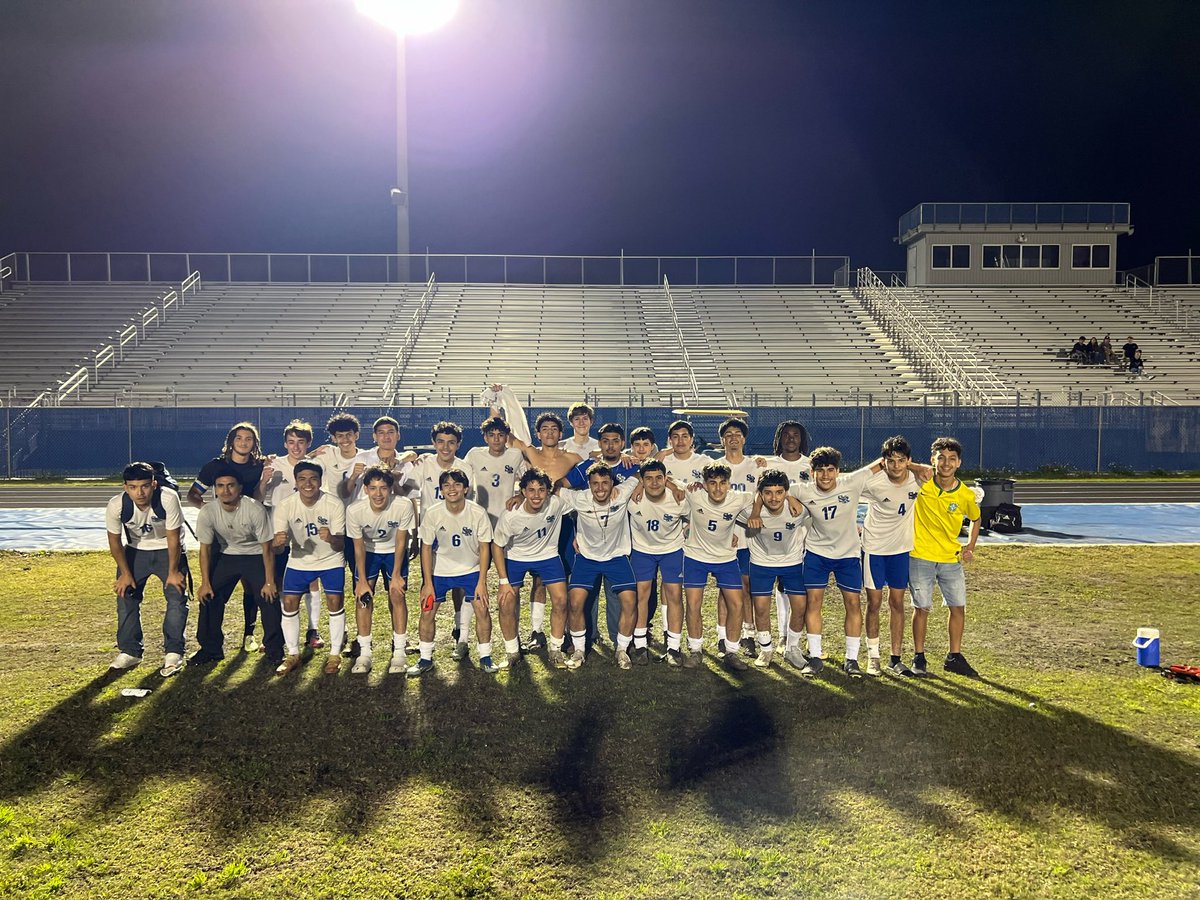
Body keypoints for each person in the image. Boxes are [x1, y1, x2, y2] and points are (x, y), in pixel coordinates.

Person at [769, 446, 881, 678]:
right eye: (820, 470)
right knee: (813, 603)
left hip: (847, 554)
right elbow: (777, 489)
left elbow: (883, 462)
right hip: (816, 553)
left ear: (838, 471)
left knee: (852, 603)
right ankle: (816, 656)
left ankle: (851, 659)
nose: (826, 475)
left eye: (830, 470)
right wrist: (790, 497)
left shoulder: (852, 482)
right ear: (812, 472)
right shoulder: (803, 489)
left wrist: (917, 467)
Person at [187, 421, 267, 653]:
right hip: (221, 538)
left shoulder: (259, 466)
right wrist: (208, 510)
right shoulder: (215, 466)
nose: (243, 442)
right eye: (239, 438)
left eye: (249, 439)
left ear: (255, 444)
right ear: (231, 441)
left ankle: (249, 634)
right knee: (212, 589)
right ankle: (210, 646)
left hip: (251, 535)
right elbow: (193, 494)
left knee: (253, 589)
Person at [400, 421, 478, 660]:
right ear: (433, 443)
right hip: (432, 535)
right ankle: (426, 649)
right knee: (432, 584)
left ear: (458, 444)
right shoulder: (423, 464)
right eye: (441, 442)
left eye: (451, 442)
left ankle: (460, 632)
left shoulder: (465, 467)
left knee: (462, 583)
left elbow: (471, 499)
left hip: (459, 533)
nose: (446, 447)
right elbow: (407, 493)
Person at [105, 462, 190, 676]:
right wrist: (125, 573)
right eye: (133, 487)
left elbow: (173, 538)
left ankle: (173, 652)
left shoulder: (168, 498)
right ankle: (130, 651)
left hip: (168, 550)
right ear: (125, 487)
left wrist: (173, 571)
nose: (139, 492)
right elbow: (115, 542)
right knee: (126, 597)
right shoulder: (116, 505)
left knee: (176, 597)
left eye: (144, 486)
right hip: (135, 551)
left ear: (154, 484)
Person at [560, 422, 640, 646]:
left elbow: (653, 474)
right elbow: (562, 486)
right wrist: (578, 529)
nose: (611, 445)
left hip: (620, 540)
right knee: (587, 594)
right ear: (600, 443)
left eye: (616, 441)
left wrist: (639, 473)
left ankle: (619, 639)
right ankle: (587, 637)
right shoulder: (588, 465)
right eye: (605, 441)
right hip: (590, 539)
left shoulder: (631, 466)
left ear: (622, 444)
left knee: (618, 595)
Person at [411, 468, 497, 675]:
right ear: (441, 490)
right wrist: (427, 582)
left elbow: (485, 547)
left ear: (466, 489)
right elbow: (425, 548)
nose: (452, 489)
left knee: (482, 609)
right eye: (447, 485)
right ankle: (425, 658)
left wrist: (482, 581)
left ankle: (485, 656)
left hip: (471, 570)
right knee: (427, 612)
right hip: (440, 571)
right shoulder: (432, 513)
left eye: (457, 484)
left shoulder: (477, 512)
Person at [192, 465, 280, 665]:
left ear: (240, 488)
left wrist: (269, 581)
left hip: (256, 554)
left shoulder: (254, 508)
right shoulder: (208, 511)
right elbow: (205, 550)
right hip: (227, 555)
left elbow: (267, 548)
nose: (226, 490)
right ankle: (210, 649)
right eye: (220, 486)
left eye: (231, 485)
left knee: (268, 598)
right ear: (215, 489)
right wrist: (205, 582)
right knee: (209, 596)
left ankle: (274, 649)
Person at [909, 436, 981, 677]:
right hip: (920, 556)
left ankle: (954, 656)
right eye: (941, 458)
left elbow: (976, 518)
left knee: (958, 607)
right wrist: (918, 467)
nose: (946, 463)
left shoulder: (965, 495)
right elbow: (898, 462)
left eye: (952, 459)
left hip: (951, 559)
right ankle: (919, 656)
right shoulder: (922, 483)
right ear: (933, 460)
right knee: (922, 608)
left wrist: (970, 545)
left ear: (959, 462)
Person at [271, 461, 347, 675]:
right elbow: (276, 550)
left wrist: (331, 538)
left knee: (335, 601)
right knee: (289, 602)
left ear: (320, 481)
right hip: (299, 561)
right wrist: (277, 543)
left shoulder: (333, 504)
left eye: (313, 478)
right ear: (296, 481)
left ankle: (334, 653)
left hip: (330, 560)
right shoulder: (286, 505)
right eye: (303, 479)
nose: (308, 483)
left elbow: (341, 544)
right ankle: (293, 654)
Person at [860, 436, 928, 678]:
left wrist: (915, 467)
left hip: (900, 550)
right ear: (884, 462)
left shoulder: (916, 479)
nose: (896, 465)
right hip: (874, 549)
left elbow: (932, 471)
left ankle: (895, 659)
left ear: (908, 461)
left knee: (897, 603)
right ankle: (873, 657)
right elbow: (847, 485)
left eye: (901, 460)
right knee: (874, 603)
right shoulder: (874, 482)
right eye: (891, 461)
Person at [493, 468, 570, 666]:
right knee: (506, 602)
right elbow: (497, 545)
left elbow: (587, 498)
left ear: (548, 491)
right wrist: (503, 581)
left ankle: (555, 649)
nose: (536, 495)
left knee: (561, 600)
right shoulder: (511, 515)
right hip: (516, 557)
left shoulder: (556, 503)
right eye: (531, 490)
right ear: (524, 492)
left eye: (541, 490)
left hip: (547, 556)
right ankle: (512, 652)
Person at [680, 461, 753, 671]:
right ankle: (695, 649)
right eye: (712, 483)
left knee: (737, 604)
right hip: (695, 556)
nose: (718, 488)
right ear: (704, 484)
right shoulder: (694, 494)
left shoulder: (739, 498)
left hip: (726, 558)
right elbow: (670, 482)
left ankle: (731, 651)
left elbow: (757, 499)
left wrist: (755, 514)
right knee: (694, 604)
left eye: (722, 483)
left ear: (729, 483)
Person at [261, 419, 326, 650]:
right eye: (291, 442)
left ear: (309, 443)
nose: (296, 447)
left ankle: (313, 630)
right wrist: (264, 480)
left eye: (300, 442)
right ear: (285, 443)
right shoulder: (274, 465)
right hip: (280, 532)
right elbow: (260, 498)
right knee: (279, 582)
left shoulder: (317, 465)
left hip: (307, 533)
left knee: (311, 581)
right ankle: (280, 631)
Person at [346, 466, 416, 675]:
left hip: (393, 551)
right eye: (373, 488)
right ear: (365, 489)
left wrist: (396, 576)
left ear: (391, 489)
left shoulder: (403, 505)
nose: (378, 494)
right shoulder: (355, 510)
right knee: (363, 598)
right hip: (368, 552)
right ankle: (365, 652)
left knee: (397, 594)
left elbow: (401, 541)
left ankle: (399, 652)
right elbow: (358, 547)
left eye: (383, 488)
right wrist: (361, 580)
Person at [737, 468, 807, 668]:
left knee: (800, 606)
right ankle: (766, 649)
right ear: (760, 494)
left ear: (786, 492)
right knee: (760, 608)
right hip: (761, 562)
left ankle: (792, 648)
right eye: (768, 493)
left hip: (792, 561)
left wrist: (792, 497)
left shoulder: (798, 509)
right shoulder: (748, 513)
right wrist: (756, 509)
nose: (774, 498)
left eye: (779, 492)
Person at [626, 459, 688, 665]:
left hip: (672, 550)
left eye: (659, 478)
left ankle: (673, 647)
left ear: (666, 478)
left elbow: (698, 512)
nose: (654, 483)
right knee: (641, 595)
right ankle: (641, 644)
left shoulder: (678, 497)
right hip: (642, 550)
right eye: (648, 479)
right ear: (641, 481)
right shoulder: (632, 497)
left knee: (674, 596)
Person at [464, 416, 528, 528]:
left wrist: (521, 495)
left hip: (507, 515)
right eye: (491, 435)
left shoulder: (515, 455)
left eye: (501, 435)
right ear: (485, 438)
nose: (496, 439)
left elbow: (528, 480)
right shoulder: (474, 454)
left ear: (507, 438)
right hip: (482, 516)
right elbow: (457, 472)